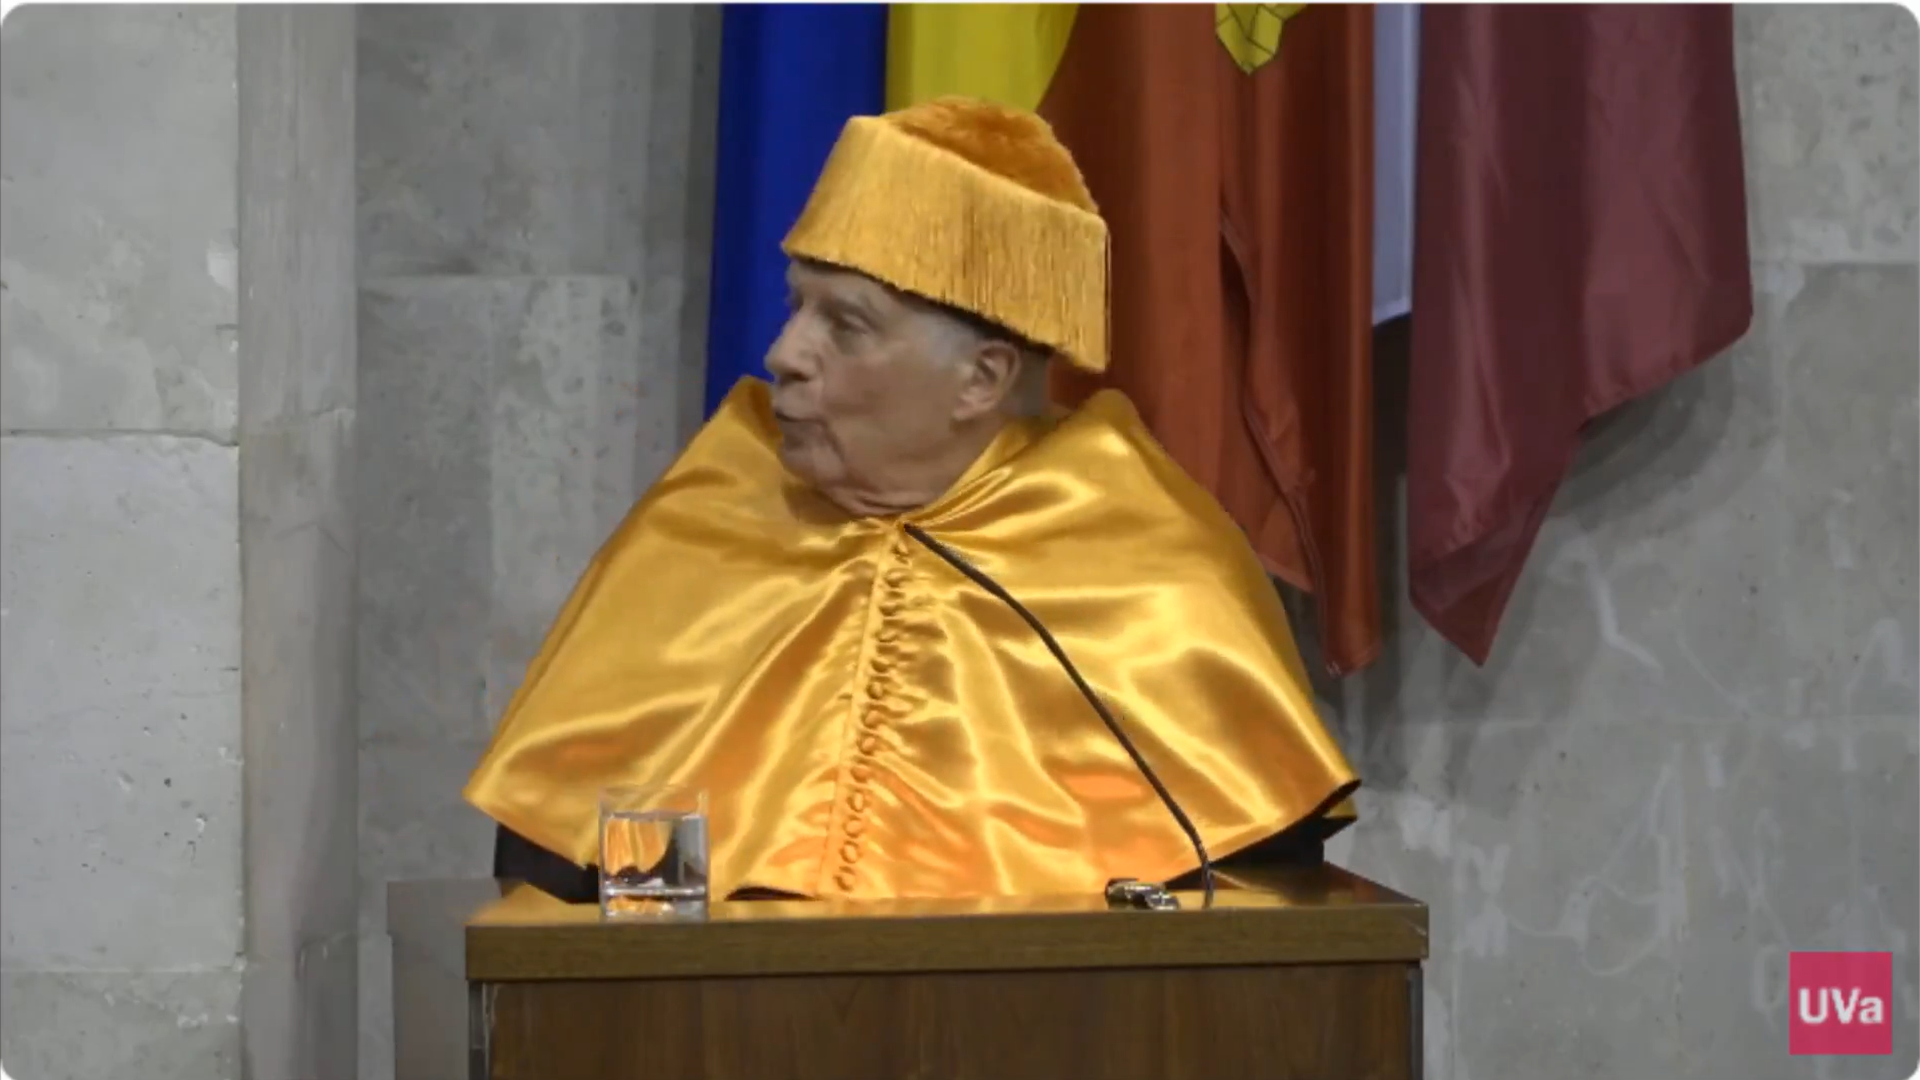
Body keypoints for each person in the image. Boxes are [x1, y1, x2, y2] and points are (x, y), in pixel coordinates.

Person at [467, 96, 1358, 903]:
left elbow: (1258, 920)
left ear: (982, 377)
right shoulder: (700, 529)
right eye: (795, 307)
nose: (784, 352)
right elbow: (554, 876)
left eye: (844, 324)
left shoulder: (1159, 578)